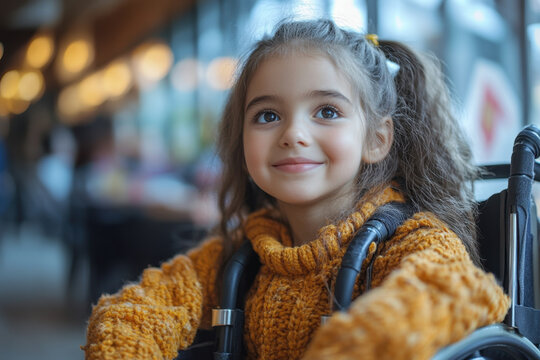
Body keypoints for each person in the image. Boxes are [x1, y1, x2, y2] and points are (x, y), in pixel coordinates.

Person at [83, 19, 509, 360]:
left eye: (326, 111)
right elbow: (134, 311)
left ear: (377, 139)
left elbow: (449, 291)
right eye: (267, 116)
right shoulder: (242, 252)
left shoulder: (412, 241)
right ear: (241, 139)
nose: (293, 134)